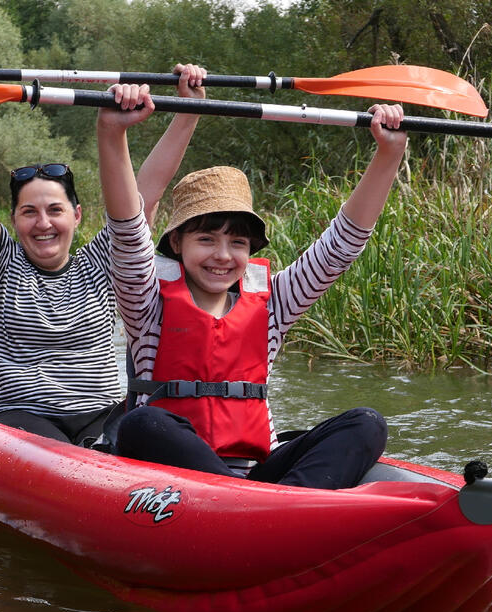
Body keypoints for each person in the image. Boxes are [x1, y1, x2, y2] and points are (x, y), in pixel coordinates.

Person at [97, 83, 407, 490]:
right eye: (206, 239)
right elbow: (127, 230)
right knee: (144, 421)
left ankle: (288, 505)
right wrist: (112, 132)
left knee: (366, 423)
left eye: (237, 242)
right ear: (177, 243)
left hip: (255, 475)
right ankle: (258, 504)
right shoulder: (147, 302)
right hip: (167, 475)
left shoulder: (275, 303)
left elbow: (341, 246)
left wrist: (389, 153)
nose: (223, 255)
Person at [0, 57, 206, 444]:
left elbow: (148, 190)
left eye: (54, 210)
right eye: (29, 212)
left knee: (153, 432)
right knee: (55, 448)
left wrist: (187, 110)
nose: (43, 223)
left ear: (76, 216)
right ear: (13, 219)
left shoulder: (103, 261)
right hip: (19, 414)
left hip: (103, 413)